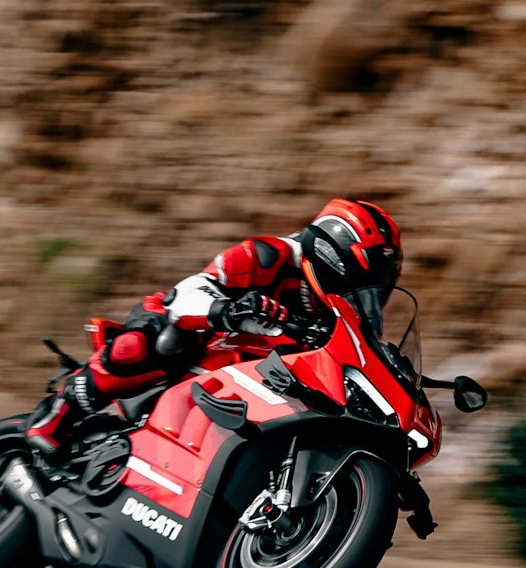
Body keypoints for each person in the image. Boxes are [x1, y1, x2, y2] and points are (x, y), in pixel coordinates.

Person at [26, 197, 403, 461]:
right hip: (200, 338)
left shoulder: (337, 320)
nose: (364, 298)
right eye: (362, 282)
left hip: (255, 383)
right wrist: (227, 308)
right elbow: (191, 290)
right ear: (335, 255)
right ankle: (57, 417)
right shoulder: (270, 255)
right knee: (156, 342)